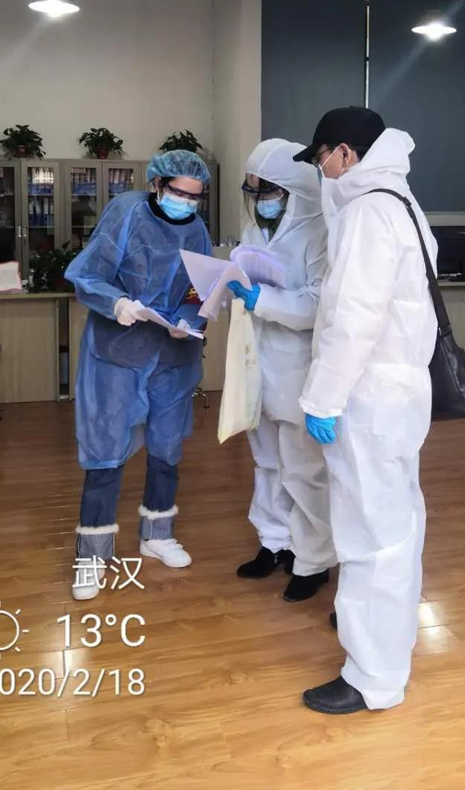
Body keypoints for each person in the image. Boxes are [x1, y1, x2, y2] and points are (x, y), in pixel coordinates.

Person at [291, 107, 438, 715]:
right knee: (397, 528)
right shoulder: (403, 202)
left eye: (321, 158)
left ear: (346, 153)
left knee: (369, 535)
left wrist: (322, 399)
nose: (321, 171)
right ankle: (387, 650)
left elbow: (353, 319)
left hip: (367, 396)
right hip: (398, 394)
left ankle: (373, 677)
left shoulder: (367, 212)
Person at [65, 150, 212, 601]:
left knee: (167, 446)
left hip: (173, 354)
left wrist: (192, 318)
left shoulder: (197, 229)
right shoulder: (127, 213)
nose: (186, 203)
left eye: (195, 197)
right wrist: (117, 303)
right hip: (118, 352)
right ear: (156, 184)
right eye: (178, 193)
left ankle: (157, 534)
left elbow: (200, 288)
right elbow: (88, 273)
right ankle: (92, 556)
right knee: (105, 451)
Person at [227, 139, 336, 602]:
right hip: (259, 363)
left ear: (293, 190)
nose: (259, 202)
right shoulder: (254, 231)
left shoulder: (320, 233)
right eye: (252, 191)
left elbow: (318, 305)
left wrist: (263, 300)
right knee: (267, 464)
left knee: (303, 471)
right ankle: (274, 542)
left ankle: (313, 560)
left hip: (298, 368)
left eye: (266, 191)